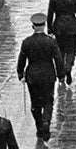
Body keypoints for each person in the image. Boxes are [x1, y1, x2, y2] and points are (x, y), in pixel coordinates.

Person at [17, 11, 62, 141]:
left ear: (33, 26)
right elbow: (58, 59)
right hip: (48, 75)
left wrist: (20, 74)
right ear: (44, 25)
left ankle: (39, 125)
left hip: (32, 76)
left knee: (35, 102)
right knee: (48, 101)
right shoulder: (51, 42)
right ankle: (46, 121)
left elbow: (21, 60)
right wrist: (61, 75)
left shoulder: (27, 42)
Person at [47, 0, 76, 79]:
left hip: (59, 26)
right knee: (72, 49)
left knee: (60, 50)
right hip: (72, 26)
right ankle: (68, 68)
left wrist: (49, 27)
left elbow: (50, 14)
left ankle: (61, 70)